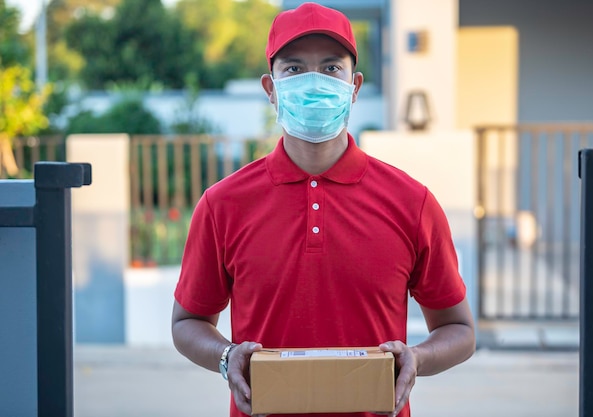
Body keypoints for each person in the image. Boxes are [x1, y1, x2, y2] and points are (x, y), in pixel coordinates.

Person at [171, 3, 475, 417]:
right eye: (294, 69)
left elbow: (458, 329)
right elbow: (187, 321)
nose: (314, 82)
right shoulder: (223, 204)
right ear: (270, 88)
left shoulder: (412, 202)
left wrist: (418, 359)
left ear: (355, 85)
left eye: (331, 68)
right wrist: (226, 357)